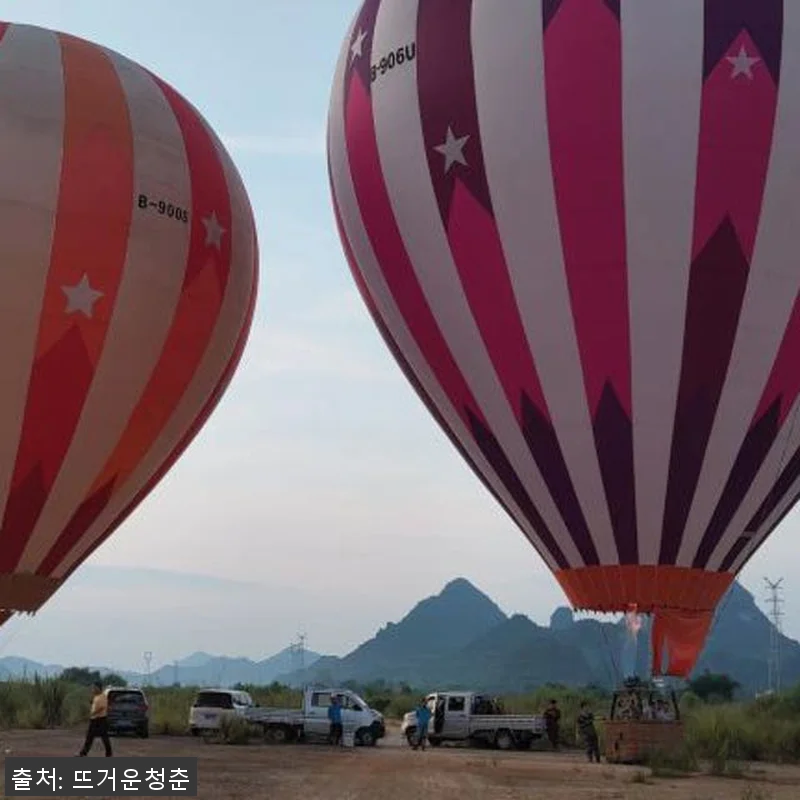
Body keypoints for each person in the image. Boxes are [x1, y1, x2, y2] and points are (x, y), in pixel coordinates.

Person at [78, 682, 112, 757]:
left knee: (104, 737)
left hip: (101, 719)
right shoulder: (96, 696)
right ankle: (83, 753)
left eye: (94, 687)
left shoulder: (103, 696)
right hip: (94, 719)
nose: (93, 689)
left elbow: (102, 707)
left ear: (98, 688)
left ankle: (109, 753)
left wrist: (93, 713)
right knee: (89, 737)